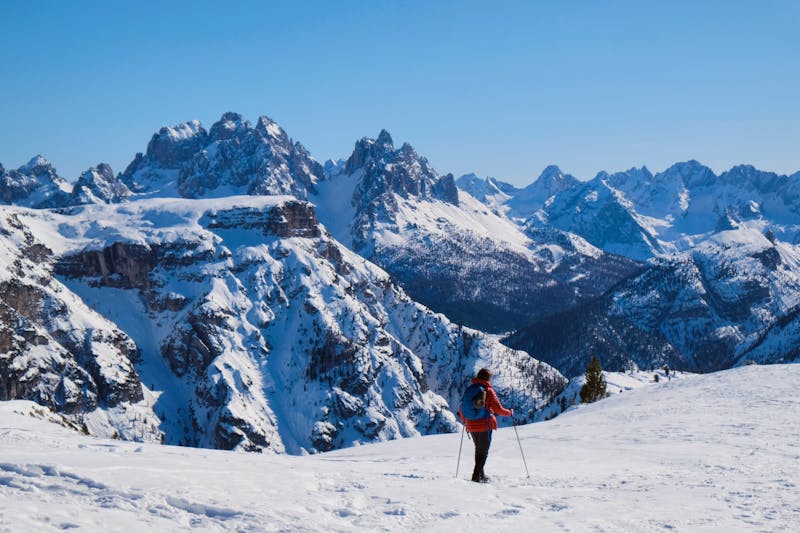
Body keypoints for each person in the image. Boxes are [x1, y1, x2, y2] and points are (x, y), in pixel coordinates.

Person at [459, 367, 513, 483]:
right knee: (483, 451)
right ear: (488, 378)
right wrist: (510, 413)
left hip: (471, 424)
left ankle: (481, 475)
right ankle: (476, 476)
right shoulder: (488, 390)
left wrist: (465, 420)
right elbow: (498, 409)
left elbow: (462, 407)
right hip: (485, 424)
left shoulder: (470, 389)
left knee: (478, 449)